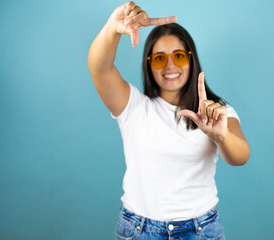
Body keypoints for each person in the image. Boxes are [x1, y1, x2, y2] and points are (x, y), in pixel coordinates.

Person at [88, 1, 250, 239]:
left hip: (200, 230)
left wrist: (221, 136)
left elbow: (240, 156)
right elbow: (100, 68)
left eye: (179, 56)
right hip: (139, 230)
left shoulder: (217, 111)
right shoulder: (133, 106)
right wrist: (113, 28)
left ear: (191, 59)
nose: (170, 65)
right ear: (149, 65)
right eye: (159, 58)